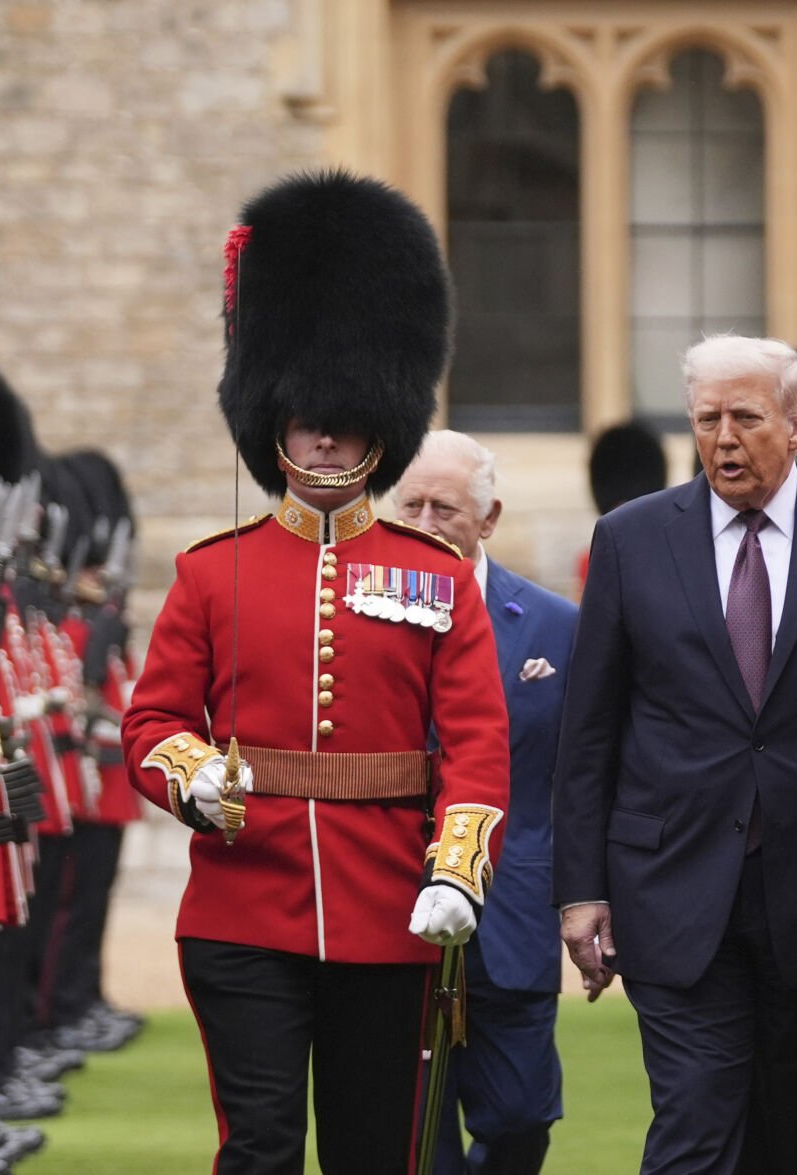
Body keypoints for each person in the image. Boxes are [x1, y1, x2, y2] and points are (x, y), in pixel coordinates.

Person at [121, 172, 511, 1175]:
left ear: (381, 423)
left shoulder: (434, 576)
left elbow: (475, 740)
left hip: (389, 905)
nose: (324, 434)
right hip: (243, 903)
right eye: (303, 417)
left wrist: (455, 867)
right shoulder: (211, 572)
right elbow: (153, 719)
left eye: (342, 415)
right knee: (258, 1148)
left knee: (374, 1152)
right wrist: (191, 776)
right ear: (273, 424)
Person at [552, 333, 797, 1173]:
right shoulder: (631, 540)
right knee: (696, 1127)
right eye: (706, 420)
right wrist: (580, 889)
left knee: (794, 1140)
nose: (723, 439)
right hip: (671, 885)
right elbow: (589, 730)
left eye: (745, 417)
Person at [396, 430, 578, 1175]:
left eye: (444, 508)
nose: (425, 522)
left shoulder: (555, 626)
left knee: (521, 1116)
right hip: (391, 907)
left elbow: (582, 777)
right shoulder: (357, 621)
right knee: (413, 1133)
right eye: (411, 505)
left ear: (489, 517)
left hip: (513, 910)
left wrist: (590, 896)